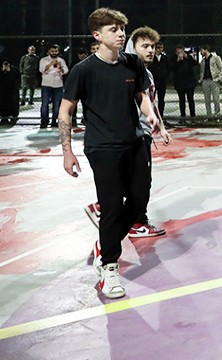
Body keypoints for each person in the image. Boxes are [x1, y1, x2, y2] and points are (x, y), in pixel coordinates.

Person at [58, 7, 158, 299]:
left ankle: (107, 238)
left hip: (134, 142)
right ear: (97, 35)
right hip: (102, 148)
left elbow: (141, 96)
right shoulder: (83, 70)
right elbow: (66, 110)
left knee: (139, 199)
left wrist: (150, 115)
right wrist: (67, 151)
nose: (120, 34)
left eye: (122, 29)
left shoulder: (132, 64)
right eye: (113, 29)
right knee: (112, 206)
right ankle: (109, 267)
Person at [84, 25, 173, 238]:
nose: (151, 50)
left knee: (136, 180)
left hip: (143, 133)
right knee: (140, 183)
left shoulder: (146, 73)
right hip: (132, 135)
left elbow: (152, 103)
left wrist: (161, 127)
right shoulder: (126, 71)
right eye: (145, 46)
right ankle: (129, 219)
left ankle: (107, 208)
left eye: (153, 46)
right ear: (133, 48)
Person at [39, 44, 68, 128]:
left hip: (58, 85)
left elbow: (66, 71)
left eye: (56, 51)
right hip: (46, 84)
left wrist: (61, 67)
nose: (54, 53)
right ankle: (43, 122)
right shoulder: (43, 60)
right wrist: (51, 64)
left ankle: (54, 122)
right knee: (45, 104)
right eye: (52, 51)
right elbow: (41, 70)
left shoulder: (61, 60)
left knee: (56, 105)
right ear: (48, 52)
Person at [169, 44, 198, 118]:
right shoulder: (173, 58)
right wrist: (177, 61)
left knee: (190, 99)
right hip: (179, 82)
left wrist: (187, 57)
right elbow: (170, 68)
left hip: (189, 82)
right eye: (179, 52)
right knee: (181, 100)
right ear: (176, 52)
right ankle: (183, 116)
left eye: (182, 51)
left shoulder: (188, 56)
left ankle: (193, 116)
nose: (180, 53)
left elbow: (195, 63)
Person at [198, 44, 222, 117]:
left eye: (201, 50)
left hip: (214, 80)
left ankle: (217, 114)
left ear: (206, 49)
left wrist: (219, 78)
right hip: (205, 81)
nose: (200, 52)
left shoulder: (216, 58)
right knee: (207, 100)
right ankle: (209, 115)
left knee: (216, 99)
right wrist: (201, 80)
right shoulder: (203, 61)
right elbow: (202, 71)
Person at [150, 41, 168, 117]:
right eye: (158, 48)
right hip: (153, 81)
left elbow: (168, 68)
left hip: (162, 81)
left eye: (161, 48)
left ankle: (161, 115)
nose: (159, 49)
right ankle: (151, 114)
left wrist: (165, 75)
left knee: (161, 99)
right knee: (151, 99)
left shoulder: (165, 58)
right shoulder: (151, 57)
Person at [0, 58, 20, 125]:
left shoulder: (14, 70)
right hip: (3, 91)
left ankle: (13, 118)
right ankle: (4, 118)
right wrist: (3, 71)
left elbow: (17, 77)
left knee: (13, 104)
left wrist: (10, 71)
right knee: (3, 104)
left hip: (12, 90)